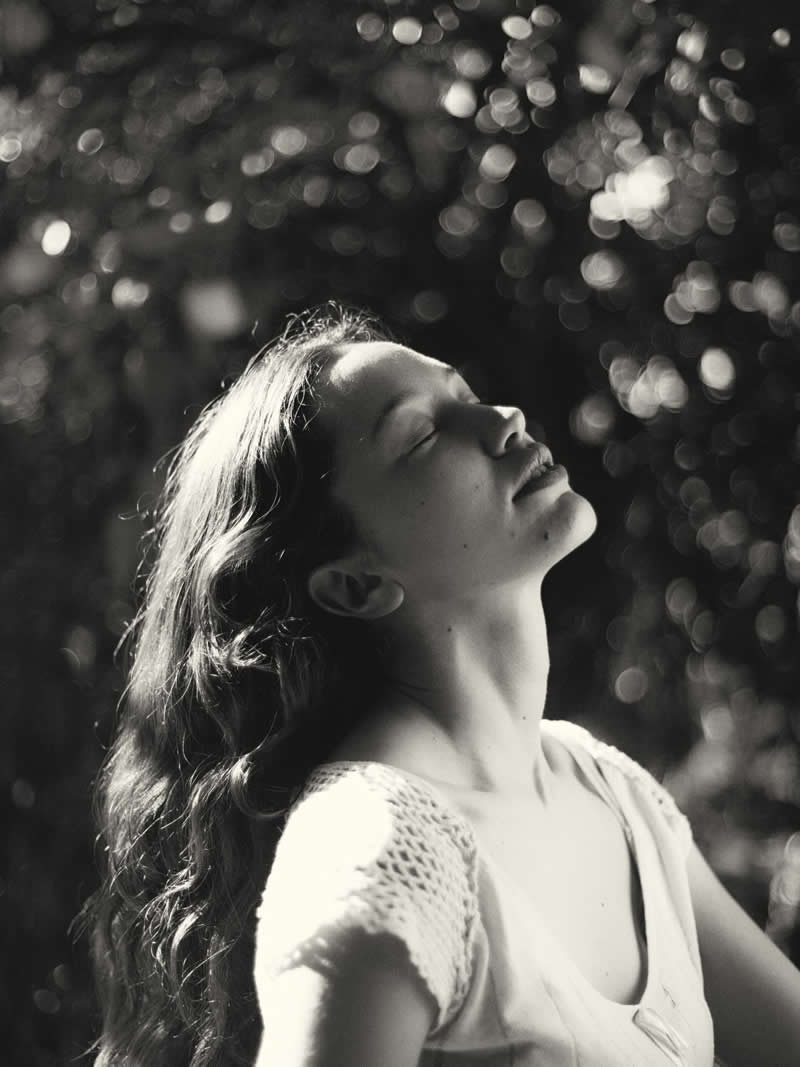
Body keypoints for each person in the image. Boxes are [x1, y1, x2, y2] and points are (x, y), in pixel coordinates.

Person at [81, 303, 800, 1067]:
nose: (502, 420)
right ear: (357, 582)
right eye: (421, 434)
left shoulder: (612, 793)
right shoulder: (382, 851)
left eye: (464, 395)